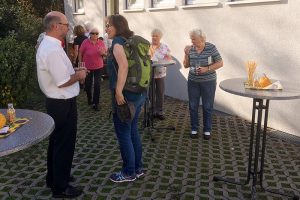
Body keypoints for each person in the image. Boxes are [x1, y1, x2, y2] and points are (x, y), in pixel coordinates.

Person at [36, 11, 87, 198]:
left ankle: (54, 177)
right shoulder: (51, 49)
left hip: (58, 101)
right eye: (66, 25)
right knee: (64, 144)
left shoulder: (51, 46)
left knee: (56, 142)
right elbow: (62, 81)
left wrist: (73, 70)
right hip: (61, 102)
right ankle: (60, 186)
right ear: (56, 26)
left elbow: (61, 74)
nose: (68, 28)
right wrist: (79, 75)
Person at [106, 14, 146, 182]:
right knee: (132, 131)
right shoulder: (130, 41)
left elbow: (123, 66)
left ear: (117, 26)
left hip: (125, 96)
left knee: (124, 134)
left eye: (109, 25)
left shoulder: (117, 43)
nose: (106, 28)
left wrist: (118, 92)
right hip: (138, 93)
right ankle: (138, 168)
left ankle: (128, 172)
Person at [183, 29, 223, 140]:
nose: (192, 41)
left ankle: (207, 130)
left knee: (207, 106)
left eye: (194, 39)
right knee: (193, 106)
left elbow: (220, 62)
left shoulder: (211, 48)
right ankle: (194, 128)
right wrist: (186, 54)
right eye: (191, 39)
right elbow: (186, 65)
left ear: (202, 39)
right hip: (193, 81)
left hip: (208, 82)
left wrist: (207, 68)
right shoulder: (190, 49)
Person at [79, 27, 107, 111]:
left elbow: (105, 54)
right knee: (88, 85)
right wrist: (80, 65)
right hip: (87, 67)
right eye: (93, 33)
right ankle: (89, 99)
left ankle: (96, 103)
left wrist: (103, 54)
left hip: (98, 66)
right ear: (90, 34)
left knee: (97, 85)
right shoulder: (85, 42)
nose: (95, 35)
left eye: (96, 33)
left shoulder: (101, 42)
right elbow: (80, 53)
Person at [149, 28, 171, 120]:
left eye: (156, 36)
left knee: (160, 92)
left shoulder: (164, 47)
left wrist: (167, 58)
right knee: (151, 93)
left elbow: (169, 58)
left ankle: (160, 111)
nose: (154, 37)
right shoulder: (148, 47)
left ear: (160, 37)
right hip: (150, 72)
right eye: (153, 36)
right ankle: (152, 111)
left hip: (160, 73)